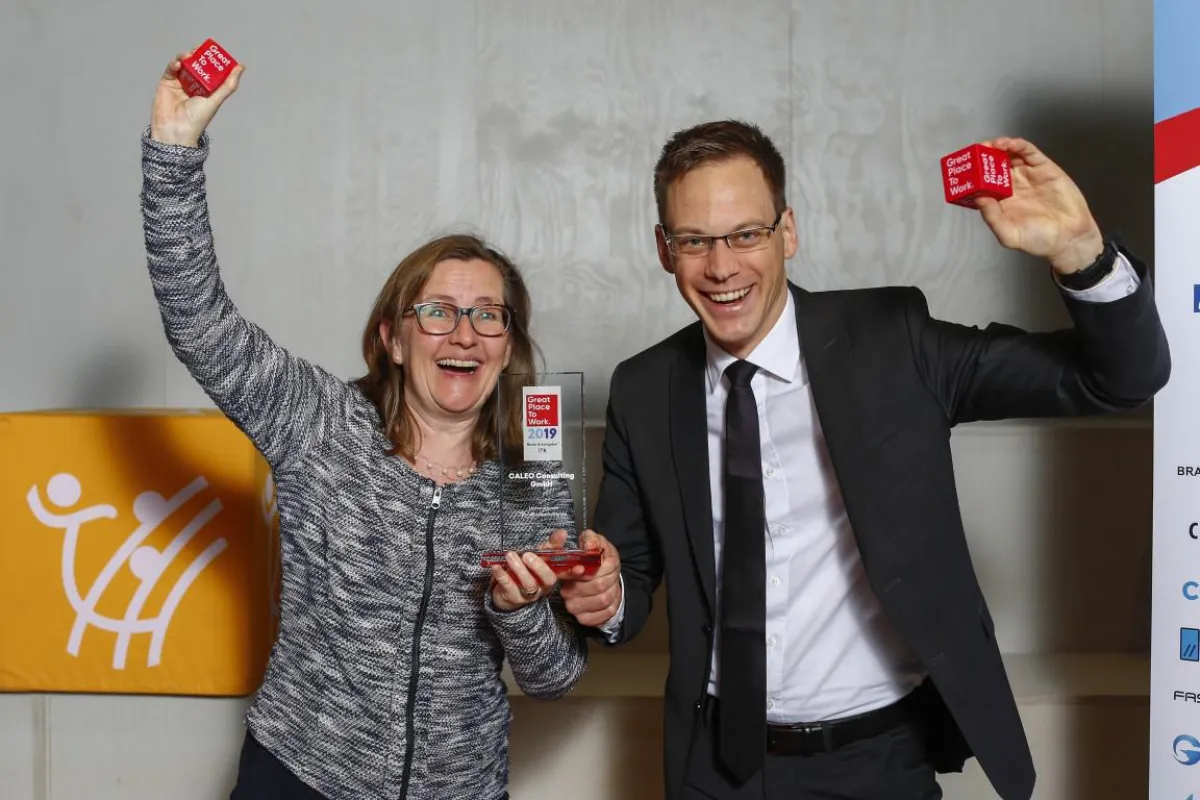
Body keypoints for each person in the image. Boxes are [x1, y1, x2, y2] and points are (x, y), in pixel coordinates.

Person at [558, 120, 1170, 799]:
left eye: (746, 234)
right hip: (715, 767)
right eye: (694, 240)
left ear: (787, 232)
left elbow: (1121, 378)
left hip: (876, 764)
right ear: (664, 250)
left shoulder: (892, 343)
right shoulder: (645, 390)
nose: (722, 265)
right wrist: (604, 594)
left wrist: (1081, 252)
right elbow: (627, 578)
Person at [141, 49, 589, 800]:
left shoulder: (534, 477)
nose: (464, 333)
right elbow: (198, 320)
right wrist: (173, 152)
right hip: (299, 775)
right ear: (392, 337)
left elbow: (555, 680)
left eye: (488, 316)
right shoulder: (318, 422)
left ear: (508, 345)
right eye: (437, 312)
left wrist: (518, 613)